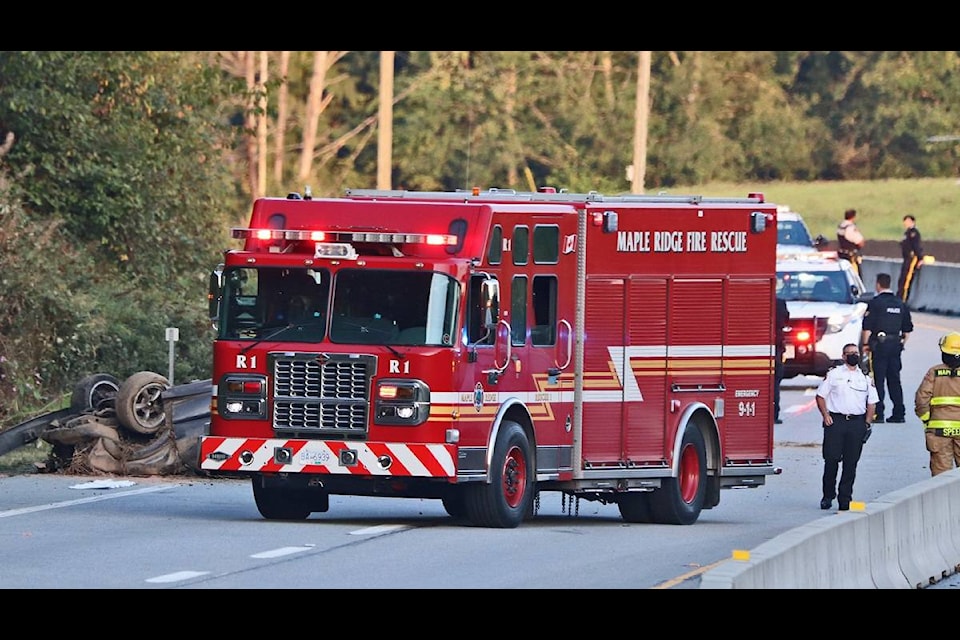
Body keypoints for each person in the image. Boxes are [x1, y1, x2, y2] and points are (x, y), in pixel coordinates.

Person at [815, 343, 879, 511]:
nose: (853, 355)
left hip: (856, 424)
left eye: (855, 353)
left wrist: (867, 423)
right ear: (843, 356)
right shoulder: (834, 374)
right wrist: (825, 415)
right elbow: (821, 396)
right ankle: (828, 495)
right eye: (849, 353)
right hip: (836, 422)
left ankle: (845, 499)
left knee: (851, 463)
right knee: (831, 459)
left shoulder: (865, 377)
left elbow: (872, 402)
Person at [861, 272, 913, 423]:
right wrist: (901, 343)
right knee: (894, 380)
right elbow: (907, 330)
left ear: (878, 285)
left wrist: (865, 345)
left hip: (879, 346)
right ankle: (899, 413)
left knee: (878, 380)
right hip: (895, 346)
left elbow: (867, 327)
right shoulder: (900, 303)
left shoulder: (875, 302)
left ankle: (879, 413)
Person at [914, 332, 960, 476]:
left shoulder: (934, 372)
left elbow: (922, 398)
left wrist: (926, 418)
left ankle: (945, 499)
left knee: (941, 475)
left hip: (939, 430)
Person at [898, 214, 924, 303]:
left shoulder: (914, 233)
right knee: (902, 280)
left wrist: (920, 258)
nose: (905, 223)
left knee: (906, 281)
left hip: (911, 259)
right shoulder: (907, 232)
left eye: (907, 221)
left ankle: (903, 300)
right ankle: (900, 297)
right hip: (906, 258)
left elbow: (916, 246)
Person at [774, 295, 790, 424]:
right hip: (775, 346)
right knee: (774, 382)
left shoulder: (754, 300)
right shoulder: (779, 302)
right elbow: (785, 320)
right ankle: (774, 414)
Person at [836, 208, 865, 276]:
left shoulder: (841, 226)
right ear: (853, 217)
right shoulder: (850, 228)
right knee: (855, 276)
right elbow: (859, 241)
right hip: (850, 257)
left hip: (841, 255)